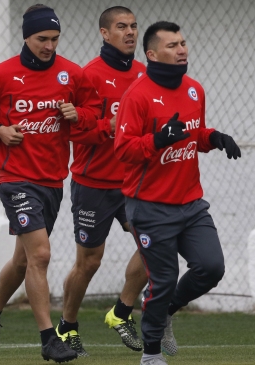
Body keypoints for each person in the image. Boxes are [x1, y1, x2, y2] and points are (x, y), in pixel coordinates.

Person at [0, 4, 102, 363]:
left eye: (55, 39)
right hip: (16, 180)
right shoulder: (1, 74)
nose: (49, 46)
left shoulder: (72, 74)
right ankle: (48, 339)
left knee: (24, 262)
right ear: (26, 36)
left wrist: (79, 114)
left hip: (52, 181)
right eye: (42, 39)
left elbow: (93, 114)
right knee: (41, 255)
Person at [114, 21, 241, 365]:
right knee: (164, 278)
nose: (182, 49)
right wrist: (158, 139)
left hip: (190, 203)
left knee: (211, 267)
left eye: (183, 42)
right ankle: (151, 355)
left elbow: (193, 134)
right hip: (149, 207)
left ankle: (168, 310)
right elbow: (123, 151)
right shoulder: (136, 96)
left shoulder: (194, 90)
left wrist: (213, 137)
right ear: (152, 54)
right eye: (172, 45)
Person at [60, 6, 147, 356]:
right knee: (90, 261)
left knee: (156, 246)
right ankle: (67, 326)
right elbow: (74, 132)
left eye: (134, 26)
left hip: (134, 183)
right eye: (121, 27)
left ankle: (121, 311)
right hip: (93, 183)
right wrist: (109, 128)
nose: (130, 32)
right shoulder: (88, 76)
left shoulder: (145, 75)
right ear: (104, 33)